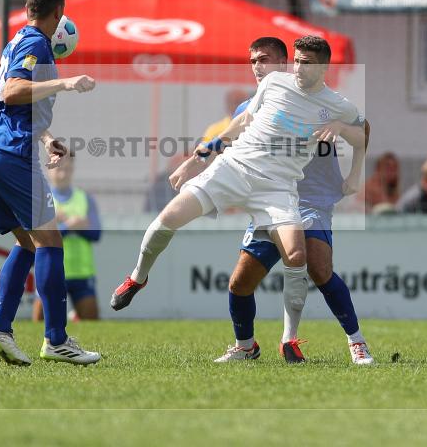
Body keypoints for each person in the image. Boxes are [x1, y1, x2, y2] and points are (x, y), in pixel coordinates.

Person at [110, 36, 367, 364]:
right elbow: (239, 124)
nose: (258, 67)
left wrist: (346, 147)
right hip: (236, 173)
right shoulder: (270, 88)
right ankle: (140, 279)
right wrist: (195, 159)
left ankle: (312, 341)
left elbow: (362, 132)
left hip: (298, 196)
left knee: (312, 265)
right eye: (253, 61)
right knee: (223, 267)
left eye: (265, 60)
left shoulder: (335, 105)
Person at [0, 0, 100, 367]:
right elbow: (12, 91)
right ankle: (57, 339)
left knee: (28, 243)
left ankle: (0, 330)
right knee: (49, 242)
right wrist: (67, 82)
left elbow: (9, 103)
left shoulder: (15, 41)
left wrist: (45, 138)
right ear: (60, 11)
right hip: (11, 155)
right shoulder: (35, 43)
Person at [32, 152, 102, 322]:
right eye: (59, 169)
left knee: (92, 326)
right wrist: (68, 226)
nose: (63, 174)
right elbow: (35, 236)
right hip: (50, 271)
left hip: (81, 273)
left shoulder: (85, 198)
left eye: (68, 169)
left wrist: (61, 225)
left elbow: (96, 233)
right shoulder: (41, 200)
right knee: (39, 326)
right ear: (49, 170)